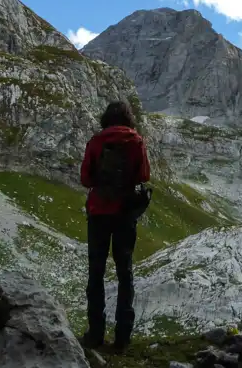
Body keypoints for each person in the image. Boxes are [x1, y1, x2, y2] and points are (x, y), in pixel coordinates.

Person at [80, 100, 151, 351]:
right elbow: (144, 175)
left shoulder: (96, 141)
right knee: (125, 274)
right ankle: (122, 338)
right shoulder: (136, 141)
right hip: (124, 214)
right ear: (128, 118)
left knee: (96, 273)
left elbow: (85, 178)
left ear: (105, 118)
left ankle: (95, 334)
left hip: (99, 212)